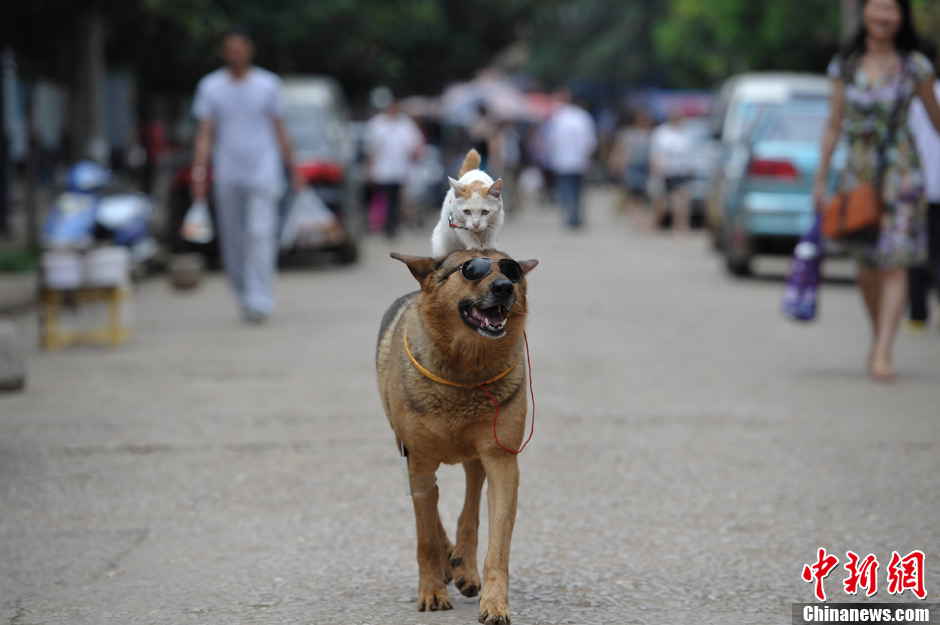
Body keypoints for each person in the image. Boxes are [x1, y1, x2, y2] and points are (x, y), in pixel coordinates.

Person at [814, 0, 940, 381]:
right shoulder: (845, 66)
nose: (884, 16)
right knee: (866, 264)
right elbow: (834, 124)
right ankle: (877, 335)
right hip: (858, 172)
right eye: (877, 7)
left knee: (896, 261)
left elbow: (936, 119)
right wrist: (820, 180)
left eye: (892, 9)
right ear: (865, 13)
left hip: (902, 172)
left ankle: (884, 349)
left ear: (902, 17)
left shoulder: (915, 66)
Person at [191, 29, 302, 324]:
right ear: (224, 53)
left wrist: (294, 168)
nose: (236, 54)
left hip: (263, 170)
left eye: (241, 49)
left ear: (249, 51)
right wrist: (199, 170)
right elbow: (205, 133)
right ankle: (243, 294)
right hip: (227, 171)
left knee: (260, 234)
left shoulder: (268, 84)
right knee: (234, 239)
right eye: (231, 49)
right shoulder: (210, 86)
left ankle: (260, 298)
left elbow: (280, 129)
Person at [907, 42, 940, 330]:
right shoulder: (918, 100)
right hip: (922, 187)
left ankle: (918, 315)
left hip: (918, 186)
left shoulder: (915, 101)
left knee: (919, 253)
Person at [364, 98, 424, 238]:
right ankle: (385, 225)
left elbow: (415, 144)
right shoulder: (376, 124)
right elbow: (371, 149)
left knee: (395, 199)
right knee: (384, 198)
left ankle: (392, 226)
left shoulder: (405, 124)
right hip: (382, 169)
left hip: (400, 169)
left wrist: (415, 156)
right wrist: (370, 167)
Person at [544, 89, 596, 229]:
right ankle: (576, 216)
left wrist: (550, 157)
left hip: (561, 160)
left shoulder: (557, 118)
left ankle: (570, 216)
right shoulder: (583, 117)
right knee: (578, 189)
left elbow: (550, 140)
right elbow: (590, 141)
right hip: (579, 160)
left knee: (565, 189)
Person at [649, 107, 694, 231]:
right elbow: (655, 152)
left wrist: (690, 167)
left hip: (681, 171)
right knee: (662, 201)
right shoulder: (661, 132)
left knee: (682, 200)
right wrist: (655, 169)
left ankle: (680, 225)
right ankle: (656, 223)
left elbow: (689, 153)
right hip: (665, 171)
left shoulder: (686, 133)